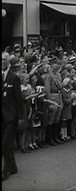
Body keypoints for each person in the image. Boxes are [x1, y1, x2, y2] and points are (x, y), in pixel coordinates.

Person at [2, 52, 23, 181]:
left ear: (8, 62)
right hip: (2, 116)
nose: (2, 62)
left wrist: (20, 117)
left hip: (11, 116)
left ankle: (6, 170)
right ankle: (13, 166)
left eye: (4, 59)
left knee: (5, 143)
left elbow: (18, 98)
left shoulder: (14, 78)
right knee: (7, 143)